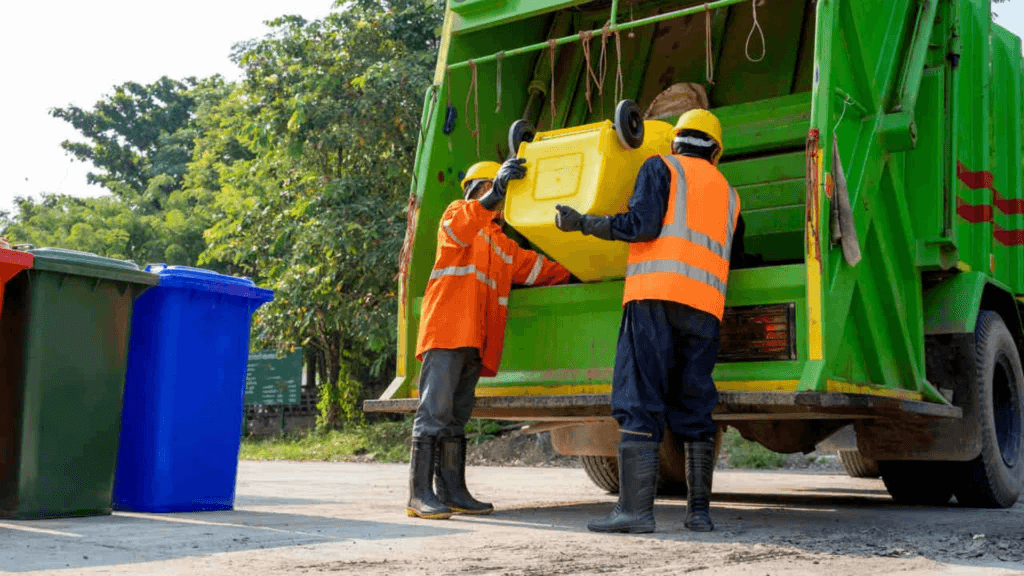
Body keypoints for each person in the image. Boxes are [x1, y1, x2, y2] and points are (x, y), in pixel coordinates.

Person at [554, 109, 744, 534]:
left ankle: (636, 513)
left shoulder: (661, 167)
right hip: (704, 310)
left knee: (639, 399)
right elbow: (737, 255)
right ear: (716, 151)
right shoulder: (731, 195)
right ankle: (699, 514)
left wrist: (582, 223)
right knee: (695, 405)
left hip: (654, 299)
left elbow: (640, 226)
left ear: (676, 141)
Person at [409, 158, 572, 520]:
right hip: (448, 332)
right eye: (490, 187)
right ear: (478, 188)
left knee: (455, 417)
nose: (493, 196)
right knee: (433, 413)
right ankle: (419, 494)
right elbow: (460, 228)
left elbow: (537, 269)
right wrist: (494, 193)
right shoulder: (457, 215)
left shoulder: (501, 244)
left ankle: (452, 491)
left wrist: (581, 268)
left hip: (473, 340)